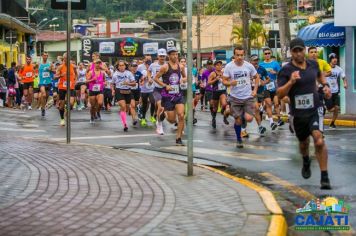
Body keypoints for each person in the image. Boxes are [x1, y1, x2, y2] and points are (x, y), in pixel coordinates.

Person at [277, 38, 332, 190]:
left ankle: (324, 177)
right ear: (291, 52)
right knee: (304, 143)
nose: (299, 53)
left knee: (319, 141)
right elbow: (279, 94)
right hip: (298, 114)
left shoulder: (313, 64)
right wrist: (291, 82)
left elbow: (320, 76)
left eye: (301, 50)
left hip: (315, 110)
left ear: (305, 50)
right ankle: (306, 160)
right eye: (295, 51)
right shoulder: (286, 70)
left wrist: (326, 86)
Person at [222, 46, 259, 148]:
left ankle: (242, 115)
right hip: (235, 98)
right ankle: (239, 139)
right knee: (238, 120)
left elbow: (257, 77)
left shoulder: (249, 66)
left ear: (244, 55)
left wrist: (255, 90)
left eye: (241, 55)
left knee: (249, 118)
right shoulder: (229, 66)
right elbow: (224, 80)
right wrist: (230, 83)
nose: (239, 57)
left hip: (247, 96)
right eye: (237, 55)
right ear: (234, 55)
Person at [153, 47, 187, 145]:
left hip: (178, 94)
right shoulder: (165, 67)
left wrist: (183, 80)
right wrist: (165, 85)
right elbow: (155, 78)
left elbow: (185, 77)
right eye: (173, 54)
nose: (175, 56)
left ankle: (178, 138)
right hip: (167, 96)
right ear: (169, 56)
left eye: (176, 54)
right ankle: (163, 114)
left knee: (181, 115)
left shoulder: (180, 66)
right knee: (172, 120)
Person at [259, 48, 284, 127]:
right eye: (265, 54)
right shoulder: (261, 65)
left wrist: (275, 72)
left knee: (276, 104)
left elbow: (281, 73)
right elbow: (257, 75)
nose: (267, 55)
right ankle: (271, 122)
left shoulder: (275, 64)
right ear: (263, 55)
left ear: (271, 54)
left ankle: (279, 120)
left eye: (268, 53)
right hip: (265, 87)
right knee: (269, 104)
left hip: (274, 86)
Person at [112, 60, 137, 132]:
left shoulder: (129, 73)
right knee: (123, 106)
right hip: (119, 91)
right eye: (120, 65)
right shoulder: (115, 74)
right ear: (118, 67)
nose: (121, 67)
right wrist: (113, 90)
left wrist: (128, 83)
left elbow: (134, 84)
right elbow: (112, 83)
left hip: (128, 91)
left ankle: (134, 119)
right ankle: (125, 124)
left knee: (132, 105)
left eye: (123, 65)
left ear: (125, 66)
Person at [325, 53, 348, 129]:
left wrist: (345, 84)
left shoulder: (339, 69)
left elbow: (344, 77)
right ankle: (325, 108)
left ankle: (332, 123)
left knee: (337, 108)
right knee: (330, 109)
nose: (335, 59)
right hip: (327, 91)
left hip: (335, 91)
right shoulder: (326, 67)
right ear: (330, 60)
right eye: (333, 58)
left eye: (336, 58)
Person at [149, 48, 167, 135]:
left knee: (165, 108)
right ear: (157, 56)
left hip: (166, 89)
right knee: (161, 106)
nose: (162, 58)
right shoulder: (153, 65)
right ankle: (159, 126)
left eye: (163, 56)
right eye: (160, 56)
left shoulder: (168, 65)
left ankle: (158, 118)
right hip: (157, 89)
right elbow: (149, 72)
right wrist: (149, 78)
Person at [56, 53, 77, 126]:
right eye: (65, 58)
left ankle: (66, 108)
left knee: (71, 103)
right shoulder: (60, 67)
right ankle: (62, 119)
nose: (66, 59)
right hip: (62, 87)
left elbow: (76, 74)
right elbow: (55, 77)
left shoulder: (73, 67)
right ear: (63, 59)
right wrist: (61, 75)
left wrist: (75, 81)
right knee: (61, 105)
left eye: (68, 58)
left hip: (71, 87)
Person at [249, 54, 269, 135]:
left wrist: (264, 82)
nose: (256, 62)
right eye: (254, 60)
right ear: (251, 61)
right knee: (256, 108)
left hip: (260, 91)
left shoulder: (262, 69)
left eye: (257, 60)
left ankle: (259, 124)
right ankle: (260, 126)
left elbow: (268, 79)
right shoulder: (248, 69)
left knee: (259, 110)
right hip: (251, 92)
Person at [208, 60, 230, 128]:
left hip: (223, 91)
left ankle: (224, 116)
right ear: (215, 66)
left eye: (220, 65)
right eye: (217, 65)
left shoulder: (224, 73)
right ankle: (214, 119)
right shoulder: (213, 73)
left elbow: (227, 81)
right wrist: (216, 79)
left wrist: (227, 82)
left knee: (224, 104)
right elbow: (209, 83)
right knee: (215, 108)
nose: (219, 66)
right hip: (215, 92)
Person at [86, 59, 106, 123]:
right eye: (96, 63)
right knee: (93, 106)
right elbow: (86, 81)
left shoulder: (102, 73)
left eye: (99, 63)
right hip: (92, 90)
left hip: (100, 90)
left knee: (100, 103)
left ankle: (98, 112)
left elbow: (104, 80)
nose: (97, 64)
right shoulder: (91, 72)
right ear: (94, 64)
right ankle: (92, 117)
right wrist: (92, 79)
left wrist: (104, 83)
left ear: (100, 64)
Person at [140, 60, 156, 126]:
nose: (149, 66)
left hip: (151, 90)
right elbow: (141, 81)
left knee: (153, 102)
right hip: (144, 90)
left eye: (150, 65)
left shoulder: (153, 72)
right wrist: (144, 77)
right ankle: (143, 118)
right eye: (148, 65)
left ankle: (152, 116)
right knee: (145, 104)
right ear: (145, 65)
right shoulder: (143, 71)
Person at [38, 52, 54, 117]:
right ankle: (43, 109)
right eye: (44, 55)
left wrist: (50, 69)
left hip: (48, 82)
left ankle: (43, 106)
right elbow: (33, 69)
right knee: (43, 95)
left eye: (46, 56)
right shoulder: (39, 64)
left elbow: (54, 71)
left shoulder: (50, 64)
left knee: (46, 96)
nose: (45, 57)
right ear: (42, 56)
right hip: (41, 82)